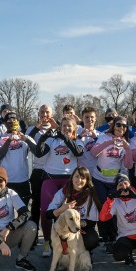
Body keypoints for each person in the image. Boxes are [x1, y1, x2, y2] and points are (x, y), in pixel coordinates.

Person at [35, 116, 83, 256]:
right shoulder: (52, 140)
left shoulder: (78, 140)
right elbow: (38, 153)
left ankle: (67, 243)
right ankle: (46, 243)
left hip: (69, 181)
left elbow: (77, 152)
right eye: (64, 126)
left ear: (74, 128)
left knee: (68, 213)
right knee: (46, 211)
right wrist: (44, 137)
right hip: (50, 179)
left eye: (69, 126)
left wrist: (65, 137)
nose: (67, 128)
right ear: (60, 127)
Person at [89, 116, 134, 253]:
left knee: (114, 208)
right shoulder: (104, 137)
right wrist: (109, 142)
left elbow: (129, 165)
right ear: (113, 125)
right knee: (103, 207)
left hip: (114, 181)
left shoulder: (126, 142)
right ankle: (105, 238)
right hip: (99, 178)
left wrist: (127, 150)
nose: (121, 128)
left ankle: (114, 238)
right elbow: (93, 153)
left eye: (124, 126)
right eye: (119, 125)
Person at [45, 166, 101, 256]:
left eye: (83, 178)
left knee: (92, 239)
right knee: (54, 239)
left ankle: (84, 252)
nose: (79, 180)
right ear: (72, 178)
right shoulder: (63, 192)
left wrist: (75, 224)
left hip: (81, 229)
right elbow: (48, 214)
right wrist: (62, 209)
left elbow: (92, 223)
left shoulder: (91, 196)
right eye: (77, 176)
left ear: (87, 180)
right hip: (64, 230)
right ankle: (63, 254)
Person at [25, 104, 57, 243]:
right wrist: (37, 128)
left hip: (53, 171)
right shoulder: (32, 129)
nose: (44, 115)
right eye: (42, 112)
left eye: (47, 112)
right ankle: (33, 236)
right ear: (38, 113)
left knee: (53, 204)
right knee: (36, 204)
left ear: (52, 114)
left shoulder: (56, 129)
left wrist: (56, 126)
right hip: (38, 170)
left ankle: (53, 236)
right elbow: (26, 141)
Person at [0, 111, 38, 206]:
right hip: (6, 181)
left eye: (14, 120)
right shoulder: (0, 138)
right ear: (5, 123)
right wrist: (9, 140)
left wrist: (26, 139)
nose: (12, 122)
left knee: (24, 210)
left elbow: (37, 152)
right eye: (9, 121)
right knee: (5, 211)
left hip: (23, 181)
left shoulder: (24, 137)